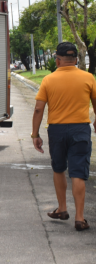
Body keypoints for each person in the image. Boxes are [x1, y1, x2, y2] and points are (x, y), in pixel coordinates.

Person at [32, 42, 94, 231]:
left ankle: (62, 208)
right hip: (80, 130)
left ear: (57, 60)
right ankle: (80, 218)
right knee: (78, 172)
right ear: (76, 59)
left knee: (59, 169)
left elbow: (38, 108)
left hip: (57, 130)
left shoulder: (49, 80)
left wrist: (35, 134)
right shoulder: (88, 77)